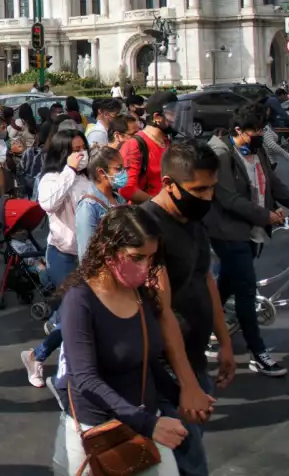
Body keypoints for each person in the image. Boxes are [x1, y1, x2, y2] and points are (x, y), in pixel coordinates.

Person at [53, 204, 186, 476]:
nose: (145, 267)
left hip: (144, 423)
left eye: (150, 258)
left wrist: (182, 396)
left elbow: (147, 360)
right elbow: (85, 379)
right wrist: (147, 424)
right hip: (99, 434)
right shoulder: (80, 301)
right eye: (137, 257)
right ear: (107, 251)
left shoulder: (140, 294)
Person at [142, 141, 234, 476]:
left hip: (196, 361)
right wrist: (187, 383)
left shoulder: (193, 219)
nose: (208, 198)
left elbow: (205, 278)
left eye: (212, 188)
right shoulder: (147, 228)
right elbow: (162, 310)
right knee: (191, 461)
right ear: (168, 184)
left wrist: (224, 342)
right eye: (199, 189)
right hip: (169, 370)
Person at [205, 103, 289, 377]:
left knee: (225, 285)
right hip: (227, 231)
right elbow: (228, 199)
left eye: (261, 129)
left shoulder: (257, 151)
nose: (259, 134)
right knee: (246, 292)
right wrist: (266, 216)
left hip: (252, 232)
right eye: (254, 131)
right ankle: (258, 353)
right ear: (238, 131)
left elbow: (274, 184)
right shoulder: (222, 155)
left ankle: (201, 328)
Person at [22, 129, 90, 388]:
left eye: (82, 148)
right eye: (74, 149)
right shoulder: (52, 178)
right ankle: (39, 357)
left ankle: (43, 352)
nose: (80, 154)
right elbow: (48, 204)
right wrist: (69, 171)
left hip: (88, 254)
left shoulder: (88, 178)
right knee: (74, 313)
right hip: (62, 255)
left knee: (80, 314)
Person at [120, 91, 175, 205]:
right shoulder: (135, 145)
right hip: (147, 215)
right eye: (172, 113)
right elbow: (127, 190)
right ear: (157, 117)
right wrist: (158, 204)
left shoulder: (167, 141)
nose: (176, 118)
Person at [75, 145, 127, 261]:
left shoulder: (120, 200)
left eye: (124, 168)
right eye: (118, 169)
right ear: (101, 172)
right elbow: (86, 254)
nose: (123, 173)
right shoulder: (88, 207)